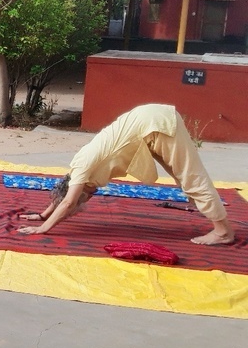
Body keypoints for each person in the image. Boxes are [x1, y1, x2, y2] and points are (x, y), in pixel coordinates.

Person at [17, 104, 236, 246]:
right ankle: (219, 223)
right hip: (148, 124)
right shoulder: (77, 171)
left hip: (154, 126)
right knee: (185, 179)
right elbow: (65, 197)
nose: (89, 198)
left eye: (85, 198)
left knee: (191, 177)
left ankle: (223, 231)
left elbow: (67, 202)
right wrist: (44, 214)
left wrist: (42, 228)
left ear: (81, 190)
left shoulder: (82, 171)